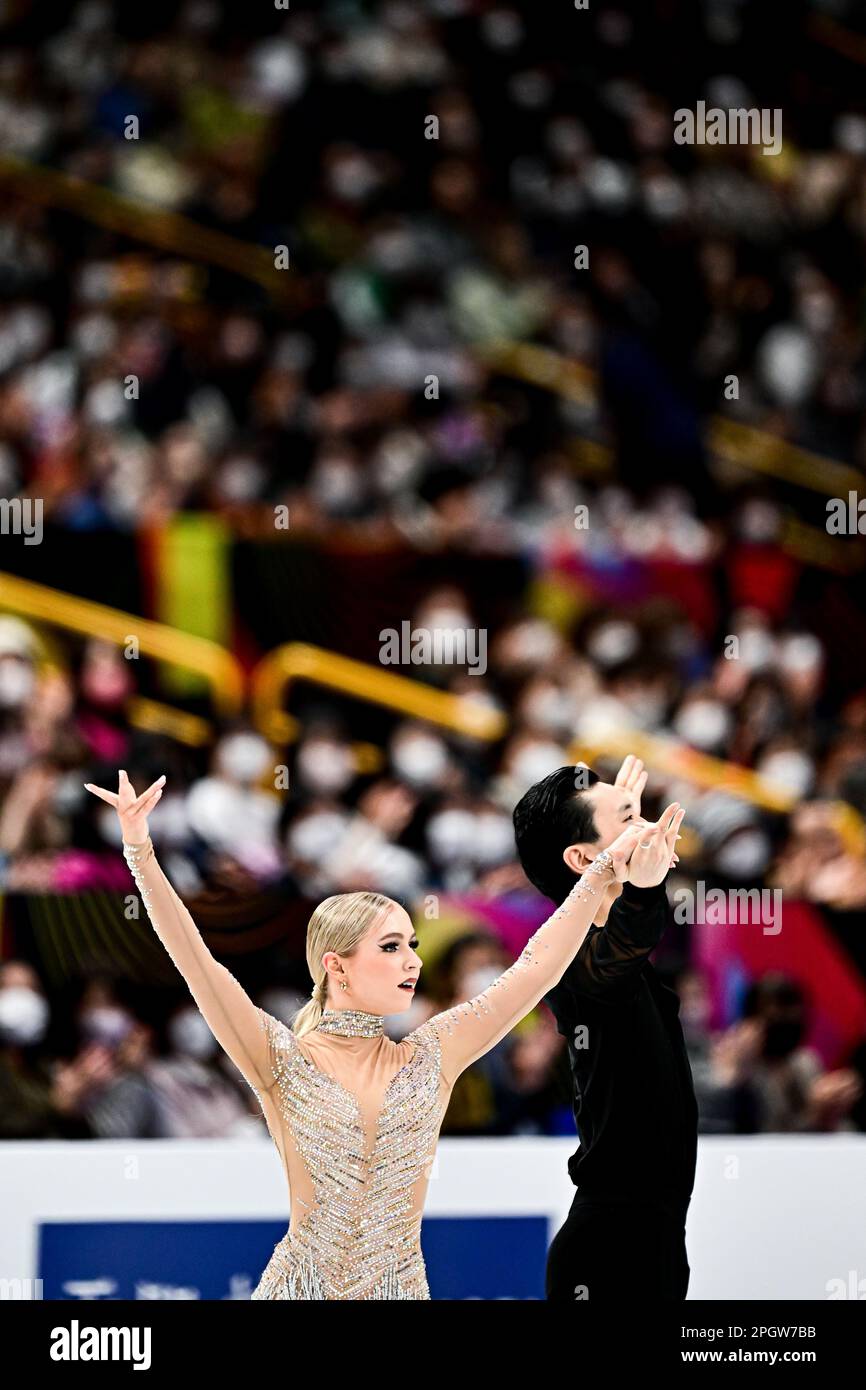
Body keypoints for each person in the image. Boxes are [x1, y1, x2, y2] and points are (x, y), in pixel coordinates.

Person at [85, 767, 683, 1300]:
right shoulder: (280, 1059)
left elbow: (538, 966)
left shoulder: (432, 1055)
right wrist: (141, 852)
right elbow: (196, 960)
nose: (413, 963)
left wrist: (610, 868)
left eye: (413, 947)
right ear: (336, 965)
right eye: (392, 947)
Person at [513, 757, 696, 1302]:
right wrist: (638, 891)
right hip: (609, 1253)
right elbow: (610, 963)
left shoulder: (612, 949)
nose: (647, 831)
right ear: (581, 858)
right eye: (628, 821)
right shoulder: (566, 956)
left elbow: (624, 947)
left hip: (655, 1242)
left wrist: (625, 839)